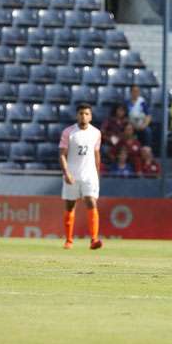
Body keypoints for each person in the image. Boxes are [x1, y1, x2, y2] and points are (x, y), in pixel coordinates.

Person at [58, 104, 102, 250]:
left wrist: (97, 172)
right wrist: (66, 173)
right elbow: (62, 154)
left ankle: (94, 240)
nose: (84, 116)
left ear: (91, 116)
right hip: (72, 174)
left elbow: (96, 154)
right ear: (77, 115)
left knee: (91, 202)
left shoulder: (96, 133)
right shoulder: (69, 132)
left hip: (89, 175)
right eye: (81, 113)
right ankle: (69, 240)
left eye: (87, 114)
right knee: (70, 206)